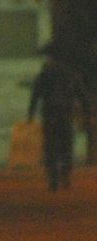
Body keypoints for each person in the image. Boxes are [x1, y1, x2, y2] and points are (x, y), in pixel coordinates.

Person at [28, 56, 88, 191]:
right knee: (66, 147)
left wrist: (31, 115)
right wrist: (86, 112)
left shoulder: (44, 75)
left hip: (50, 115)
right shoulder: (70, 75)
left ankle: (53, 179)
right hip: (66, 115)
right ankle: (65, 178)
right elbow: (82, 95)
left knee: (51, 147)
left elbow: (35, 96)